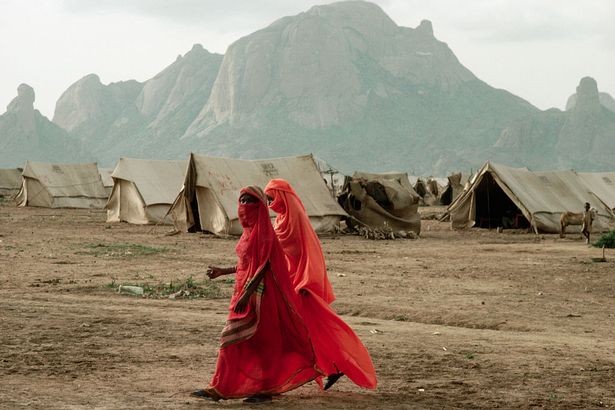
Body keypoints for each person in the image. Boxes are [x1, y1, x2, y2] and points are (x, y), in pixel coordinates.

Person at [191, 186, 320, 403]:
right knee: (246, 342)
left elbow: (264, 266)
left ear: (259, 206)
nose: (243, 206)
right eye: (241, 200)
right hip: (242, 292)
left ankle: (261, 389)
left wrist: (247, 294)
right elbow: (246, 264)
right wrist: (223, 271)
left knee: (243, 339)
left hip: (261, 298)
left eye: (248, 201)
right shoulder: (249, 233)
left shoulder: (266, 235)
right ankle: (221, 386)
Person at [264, 179, 377, 392]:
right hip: (290, 280)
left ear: (281, 196)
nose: (270, 202)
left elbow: (310, 251)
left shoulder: (296, 217)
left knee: (314, 327)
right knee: (304, 330)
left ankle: (340, 363)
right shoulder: (280, 220)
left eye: (271, 198)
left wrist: (308, 281)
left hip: (303, 284)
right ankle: (330, 368)